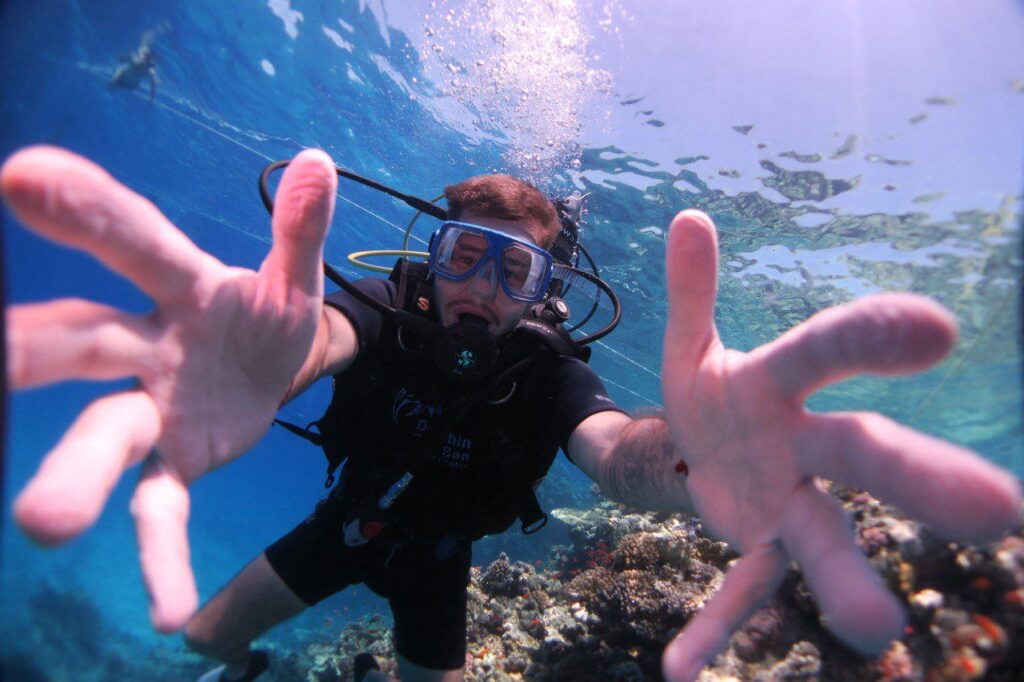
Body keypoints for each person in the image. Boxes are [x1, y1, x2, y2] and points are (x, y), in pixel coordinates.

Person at [1, 146, 1020, 682]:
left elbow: (617, 449)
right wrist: (281, 358)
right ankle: (255, 664)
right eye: (462, 254)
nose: (475, 286)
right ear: (431, 258)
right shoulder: (380, 311)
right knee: (200, 643)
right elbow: (318, 340)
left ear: (543, 291)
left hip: (437, 564)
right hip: (335, 529)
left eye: (511, 267)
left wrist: (683, 459)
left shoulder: (546, 370)